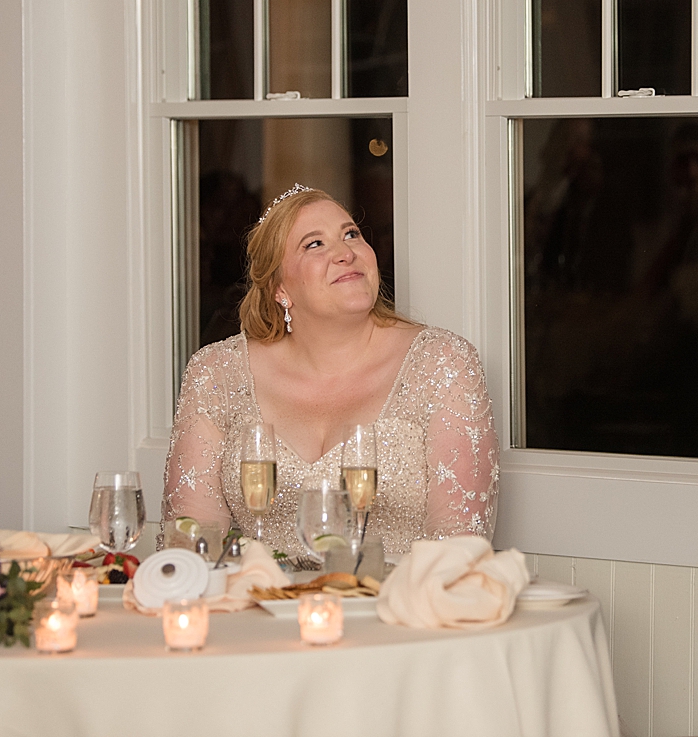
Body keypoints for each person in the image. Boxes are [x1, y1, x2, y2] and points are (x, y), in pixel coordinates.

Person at [162, 183, 497, 561]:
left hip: (398, 611)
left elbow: (459, 549)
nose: (345, 253)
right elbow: (188, 547)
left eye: (351, 234)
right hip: (260, 611)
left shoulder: (443, 363)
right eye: (314, 244)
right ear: (279, 287)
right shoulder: (216, 374)